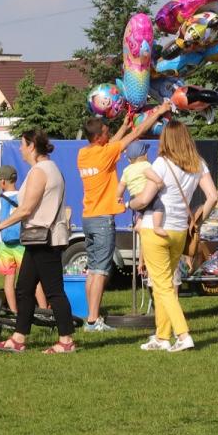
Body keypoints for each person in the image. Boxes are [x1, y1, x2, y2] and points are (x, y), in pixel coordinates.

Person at [77, 102, 172, 333]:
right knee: (101, 271)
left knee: (92, 270)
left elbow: (113, 142)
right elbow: (138, 133)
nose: (109, 134)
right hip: (102, 220)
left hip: (88, 218)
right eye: (106, 132)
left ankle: (91, 318)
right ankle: (94, 320)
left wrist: (123, 126)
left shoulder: (84, 154)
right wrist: (158, 113)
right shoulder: (106, 153)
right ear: (98, 137)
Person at [128, 120, 218, 352]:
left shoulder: (161, 163)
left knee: (163, 286)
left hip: (156, 229)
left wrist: (130, 203)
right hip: (179, 230)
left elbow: (145, 199)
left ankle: (183, 334)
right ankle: (162, 337)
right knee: (163, 285)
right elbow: (213, 196)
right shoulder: (198, 163)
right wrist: (198, 220)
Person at [0, 129, 76, 354]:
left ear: (32, 146)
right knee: (24, 289)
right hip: (39, 239)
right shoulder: (51, 168)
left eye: (22, 144)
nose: (20, 149)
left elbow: (26, 208)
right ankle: (18, 338)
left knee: (54, 291)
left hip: (43, 239)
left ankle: (66, 341)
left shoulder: (40, 171)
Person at [0, 165, 48, 315]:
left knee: (9, 279)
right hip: (23, 243)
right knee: (34, 279)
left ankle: (14, 311)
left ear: (2, 182)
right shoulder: (24, 196)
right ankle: (43, 309)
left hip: (5, 245)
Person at [116, 141, 167, 237]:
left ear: (129, 160)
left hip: (134, 197)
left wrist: (118, 197)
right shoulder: (146, 165)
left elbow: (121, 185)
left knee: (142, 212)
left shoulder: (126, 170)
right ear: (145, 155)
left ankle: (138, 225)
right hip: (146, 194)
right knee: (159, 207)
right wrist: (159, 181)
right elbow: (149, 173)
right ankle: (157, 227)